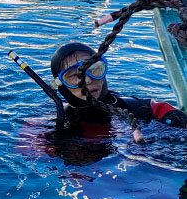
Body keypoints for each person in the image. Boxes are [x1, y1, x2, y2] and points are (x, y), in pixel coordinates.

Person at [49, 42, 187, 136]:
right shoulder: (55, 125)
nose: (88, 80)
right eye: (74, 76)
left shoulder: (139, 108)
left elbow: (163, 111)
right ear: (60, 85)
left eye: (94, 69)